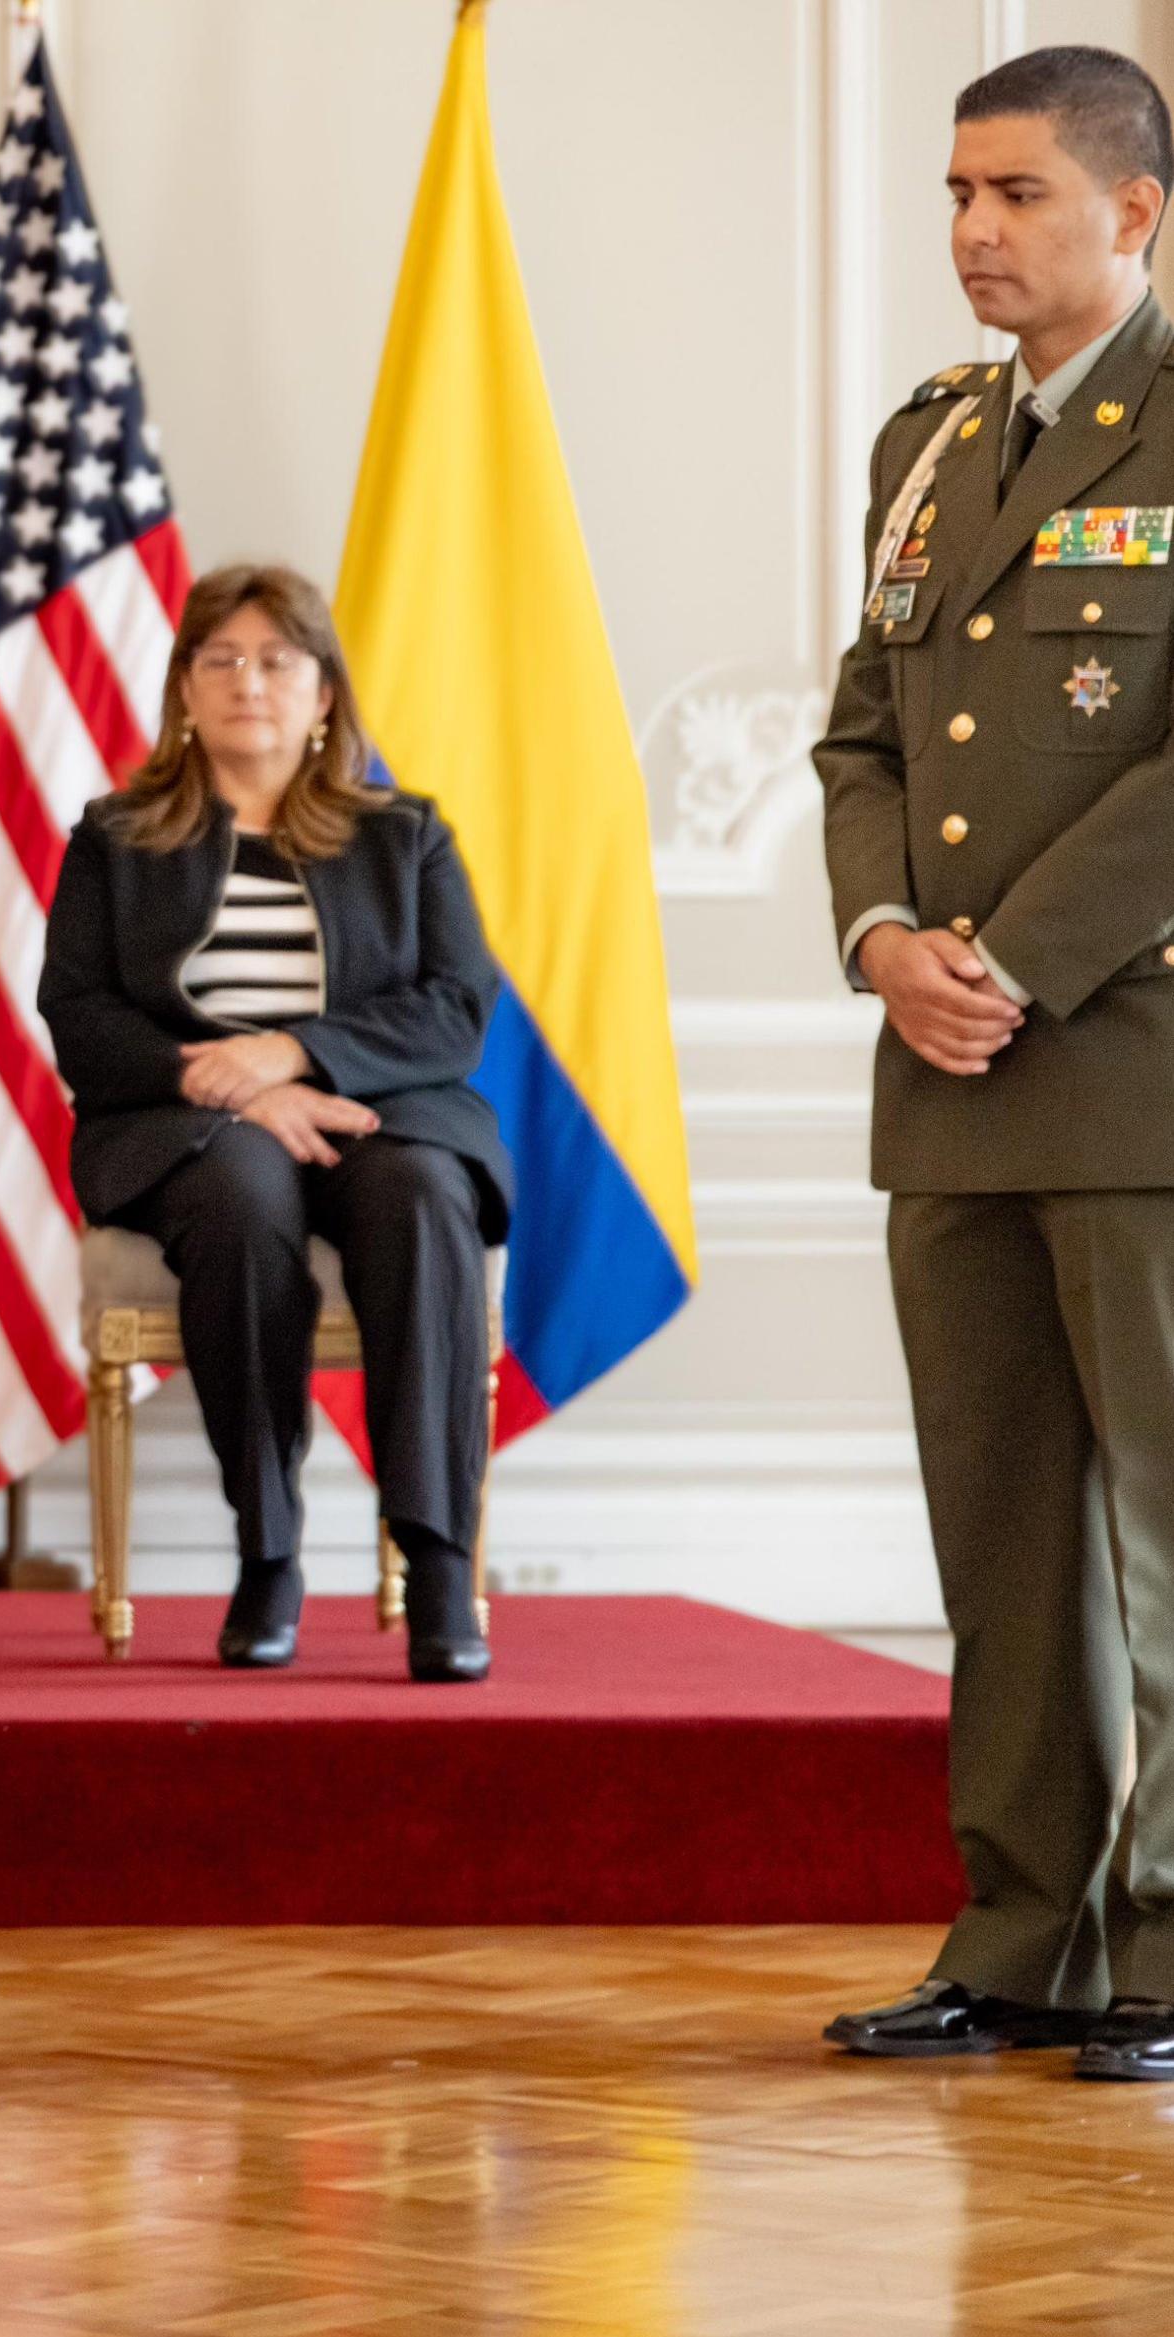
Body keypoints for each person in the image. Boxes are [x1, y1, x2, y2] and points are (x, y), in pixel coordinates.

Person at [813, 48, 1174, 2082]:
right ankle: (1020, 1933)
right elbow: (861, 730)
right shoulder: (927, 444)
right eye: (954, 189)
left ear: (1126, 212)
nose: (968, 229)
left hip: (1122, 1060)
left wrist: (1004, 961)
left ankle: (1159, 1946)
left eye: (1012, 192)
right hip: (942, 1073)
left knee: (1157, 1521)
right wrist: (880, 943)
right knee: (1003, 1526)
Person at [35, 563, 511, 1684]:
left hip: (377, 1112)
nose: (249, 681)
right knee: (241, 1199)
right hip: (184, 1126)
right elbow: (77, 1016)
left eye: (276, 660)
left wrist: (292, 1054)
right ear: (185, 693)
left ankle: (438, 1562)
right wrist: (239, 1085)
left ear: (322, 696)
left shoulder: (404, 836)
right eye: (221, 659)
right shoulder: (114, 839)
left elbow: (454, 1007)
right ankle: (267, 1550)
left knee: (420, 1193)